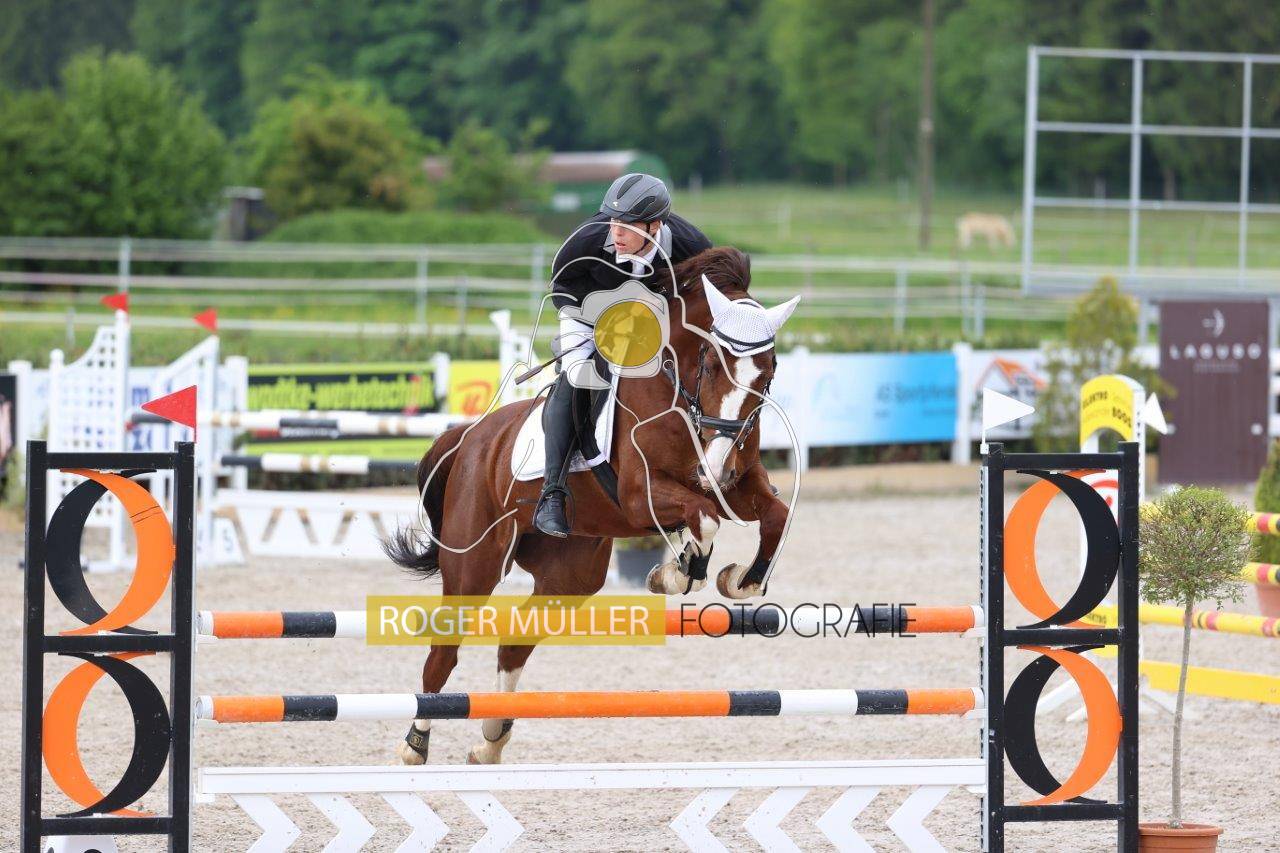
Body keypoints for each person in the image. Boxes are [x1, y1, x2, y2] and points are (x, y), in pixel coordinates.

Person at [533, 173, 711, 537]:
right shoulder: (587, 239)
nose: (616, 232)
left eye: (627, 226)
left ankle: (732, 469)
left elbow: (711, 293)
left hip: (653, 321)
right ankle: (552, 493)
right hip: (588, 315)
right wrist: (608, 322)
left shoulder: (692, 246)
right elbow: (561, 284)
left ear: (654, 226)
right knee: (577, 375)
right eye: (613, 221)